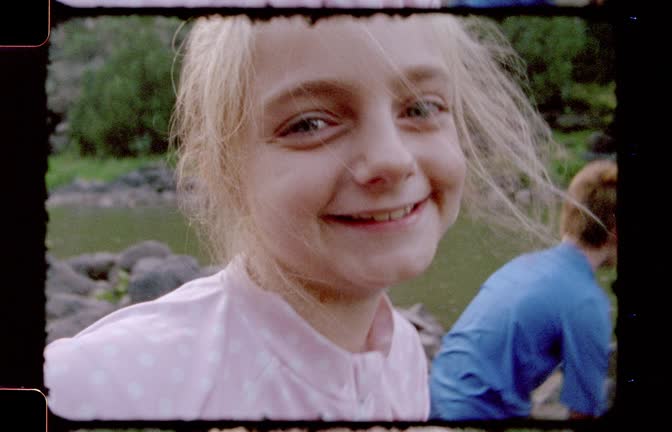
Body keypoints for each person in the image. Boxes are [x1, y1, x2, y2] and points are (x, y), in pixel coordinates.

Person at [44, 12, 562, 421]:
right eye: (311, 122)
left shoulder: (401, 353)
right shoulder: (115, 382)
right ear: (221, 168)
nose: (391, 157)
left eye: (421, 109)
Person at [429, 159, 618, 420]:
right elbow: (583, 412)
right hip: (473, 415)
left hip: (434, 394)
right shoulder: (587, 301)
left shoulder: (523, 265)